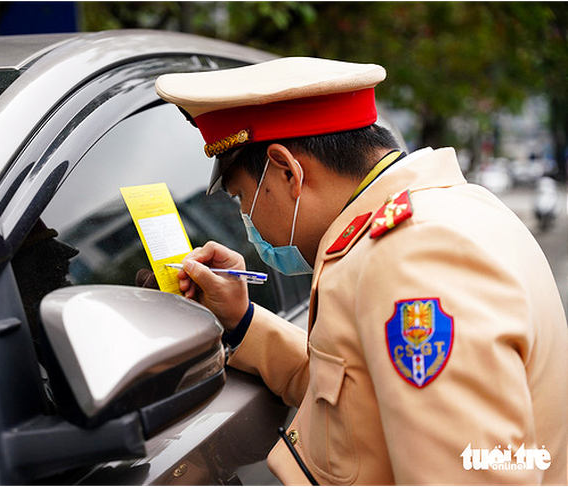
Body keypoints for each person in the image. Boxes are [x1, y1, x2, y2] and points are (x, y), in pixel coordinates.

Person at [154, 57, 568, 485]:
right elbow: (359, 401)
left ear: (287, 171)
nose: (248, 220)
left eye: (242, 199)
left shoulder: (416, 259)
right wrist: (241, 320)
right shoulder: (442, 215)